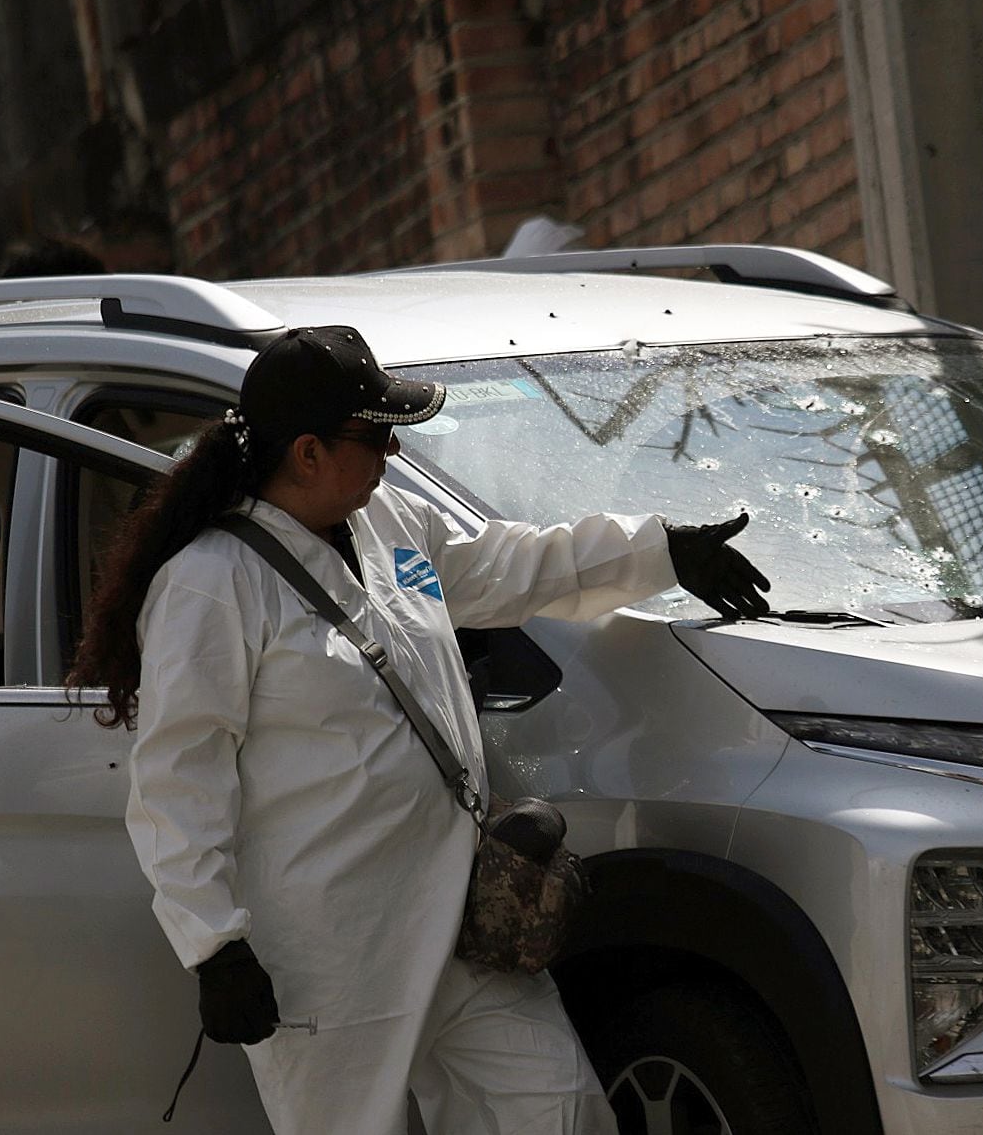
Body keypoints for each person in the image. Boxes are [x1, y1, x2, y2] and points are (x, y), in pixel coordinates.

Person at [67, 324, 770, 1135]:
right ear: (307, 454)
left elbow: (512, 567)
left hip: (462, 921)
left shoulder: (391, 522)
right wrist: (214, 945)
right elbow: (177, 781)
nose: (394, 452)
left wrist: (658, 551)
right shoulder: (211, 586)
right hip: (331, 955)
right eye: (375, 435)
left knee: (560, 1112)